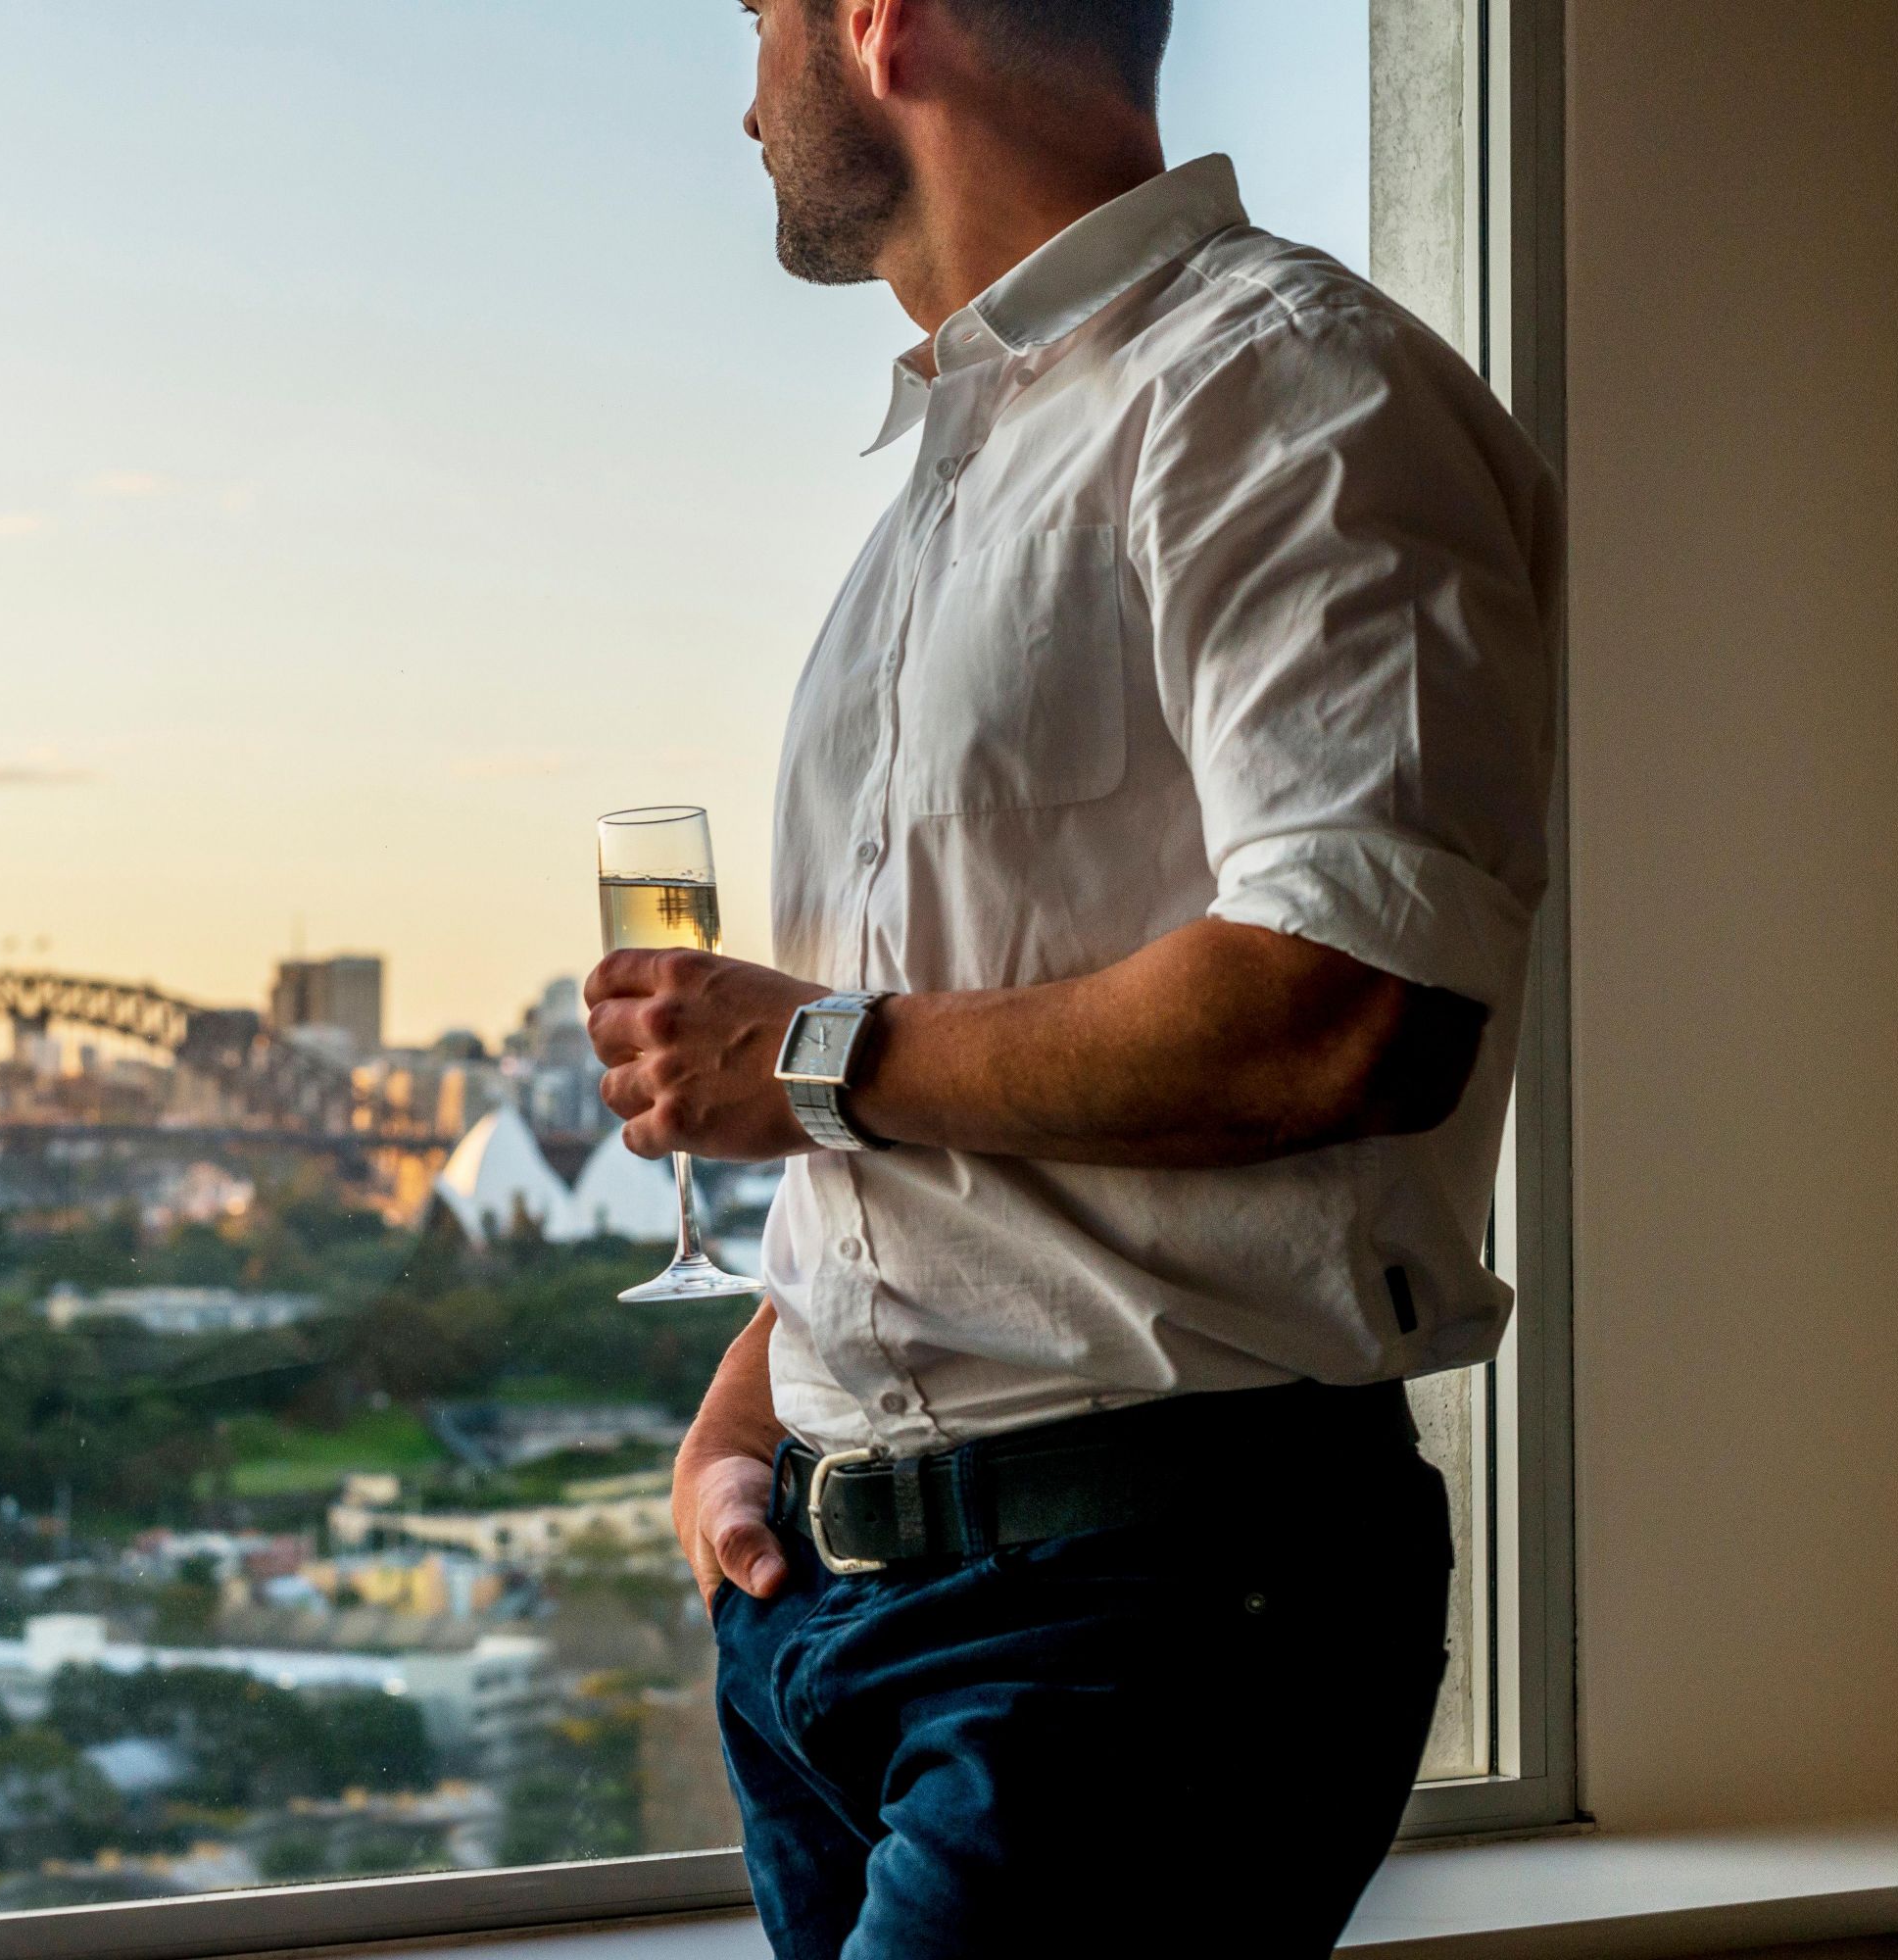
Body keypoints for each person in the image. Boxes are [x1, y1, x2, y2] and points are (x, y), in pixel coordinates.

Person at [584, 1, 1559, 1952]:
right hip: (836, 1629)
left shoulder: (1288, 391)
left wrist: (811, 1056)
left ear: (881, 24)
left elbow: (1356, 1004)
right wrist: (747, 1414)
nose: (745, 99)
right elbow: (954, 1095)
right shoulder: (958, 483)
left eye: (760, 19)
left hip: (1140, 1613)